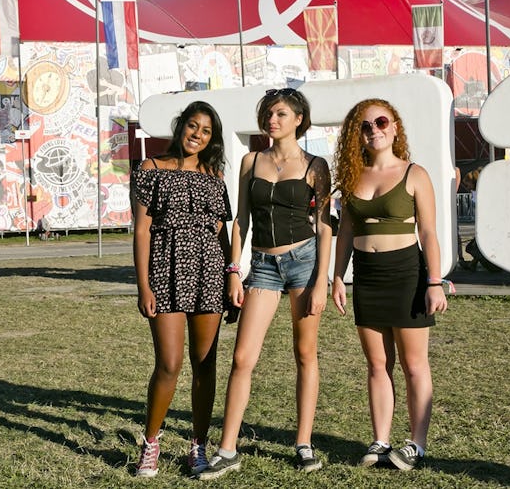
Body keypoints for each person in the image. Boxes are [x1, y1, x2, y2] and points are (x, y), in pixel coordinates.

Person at [199, 88, 332, 480]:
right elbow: (240, 220)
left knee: (305, 353)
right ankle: (227, 449)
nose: (272, 120)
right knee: (242, 358)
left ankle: (303, 443)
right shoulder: (251, 161)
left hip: (304, 264)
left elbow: (324, 227)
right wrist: (233, 271)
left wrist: (321, 281)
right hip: (262, 265)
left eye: (280, 114)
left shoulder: (315, 166)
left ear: (298, 120)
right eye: (268, 114)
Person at [331, 99, 448, 471]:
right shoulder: (352, 176)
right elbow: (346, 232)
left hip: (407, 274)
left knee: (414, 365)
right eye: (365, 126)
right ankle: (380, 441)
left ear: (395, 127)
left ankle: (416, 444)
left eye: (381, 121)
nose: (374, 129)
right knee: (377, 364)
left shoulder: (415, 173)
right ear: (357, 135)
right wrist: (337, 276)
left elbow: (428, 231)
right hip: (367, 275)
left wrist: (434, 281)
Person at [132, 101, 231, 478]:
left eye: (205, 131)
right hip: (165, 271)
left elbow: (221, 235)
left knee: (205, 366)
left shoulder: (214, 175)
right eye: (192, 126)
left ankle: (198, 447)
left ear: (211, 139)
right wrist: (144, 285)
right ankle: (151, 444)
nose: (197, 135)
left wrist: (230, 279)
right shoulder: (150, 169)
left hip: (208, 275)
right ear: (180, 127)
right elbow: (142, 231)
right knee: (169, 364)